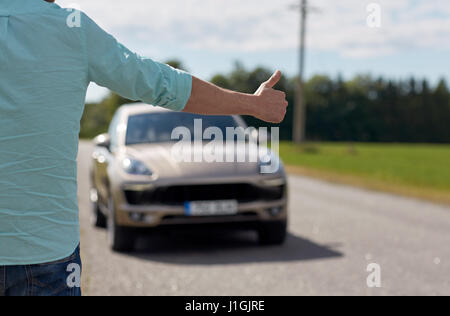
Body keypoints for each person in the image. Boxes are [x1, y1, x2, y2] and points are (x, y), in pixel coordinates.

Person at [0, 0, 288, 296]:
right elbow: (162, 83)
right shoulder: (72, 30)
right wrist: (251, 104)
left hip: (47, 253)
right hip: (45, 252)